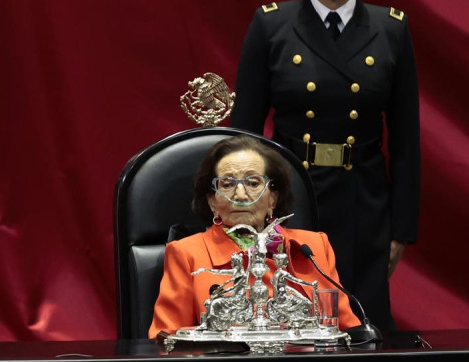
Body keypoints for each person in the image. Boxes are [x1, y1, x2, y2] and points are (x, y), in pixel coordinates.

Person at [230, 0, 419, 331]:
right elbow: (244, 135)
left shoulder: (390, 29)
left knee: (359, 328)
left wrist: (401, 229)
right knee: (290, 328)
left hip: (364, 203)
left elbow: (406, 141)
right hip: (291, 201)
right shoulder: (272, 27)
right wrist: (245, 215)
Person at [149, 135, 360, 337]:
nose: (240, 195)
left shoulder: (312, 247)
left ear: (273, 199)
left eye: (253, 183)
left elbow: (348, 332)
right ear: (213, 202)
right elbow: (166, 339)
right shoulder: (187, 254)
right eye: (228, 184)